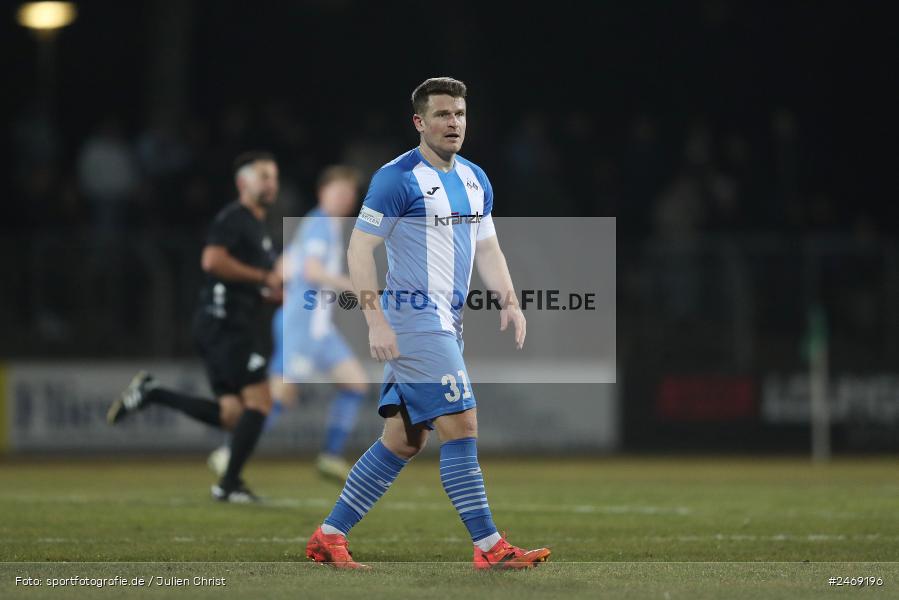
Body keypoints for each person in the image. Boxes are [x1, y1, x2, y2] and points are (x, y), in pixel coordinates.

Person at [304, 77, 551, 570]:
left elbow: (487, 246)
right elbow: (360, 248)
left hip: (445, 322)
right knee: (462, 427)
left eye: (459, 113)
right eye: (442, 114)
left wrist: (510, 300)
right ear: (419, 122)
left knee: (403, 440)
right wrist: (375, 322)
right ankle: (489, 548)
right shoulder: (397, 178)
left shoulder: (477, 177)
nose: (453, 122)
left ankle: (328, 536)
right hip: (414, 320)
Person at [107, 151, 282, 503]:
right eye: (262, 175)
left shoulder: (256, 226)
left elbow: (249, 281)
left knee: (233, 414)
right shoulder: (235, 217)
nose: (270, 182)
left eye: (273, 176)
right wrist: (264, 277)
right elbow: (212, 260)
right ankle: (228, 485)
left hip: (224, 324)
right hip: (225, 325)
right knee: (261, 403)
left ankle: (153, 392)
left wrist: (268, 293)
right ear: (242, 182)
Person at [207, 166, 370, 483]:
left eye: (348, 193)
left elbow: (286, 265)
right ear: (323, 193)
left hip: (321, 329)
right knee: (279, 396)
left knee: (355, 384)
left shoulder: (322, 225)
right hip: (302, 326)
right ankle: (228, 452)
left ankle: (330, 456)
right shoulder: (320, 224)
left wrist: (278, 281)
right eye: (337, 191)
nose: (344, 198)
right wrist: (349, 284)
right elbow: (310, 270)